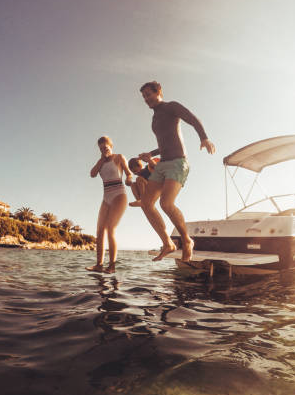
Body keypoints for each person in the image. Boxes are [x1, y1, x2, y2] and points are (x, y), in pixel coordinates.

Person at [137, 80, 215, 262]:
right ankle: (168, 244)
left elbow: (192, 118)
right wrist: (151, 153)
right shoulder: (154, 119)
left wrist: (204, 138)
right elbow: (164, 143)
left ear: (159, 92)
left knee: (166, 203)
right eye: (144, 96)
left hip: (178, 163)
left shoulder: (171, 107)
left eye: (149, 94)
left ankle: (187, 241)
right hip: (162, 163)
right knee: (146, 203)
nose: (146, 99)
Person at [86, 136, 133, 273]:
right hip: (106, 197)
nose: (103, 150)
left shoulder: (119, 157)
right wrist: (101, 159)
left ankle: (112, 266)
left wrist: (129, 179)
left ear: (111, 146)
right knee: (100, 231)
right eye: (101, 148)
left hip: (119, 195)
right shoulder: (100, 161)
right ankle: (99, 265)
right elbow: (92, 174)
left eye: (105, 147)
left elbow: (129, 174)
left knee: (110, 228)